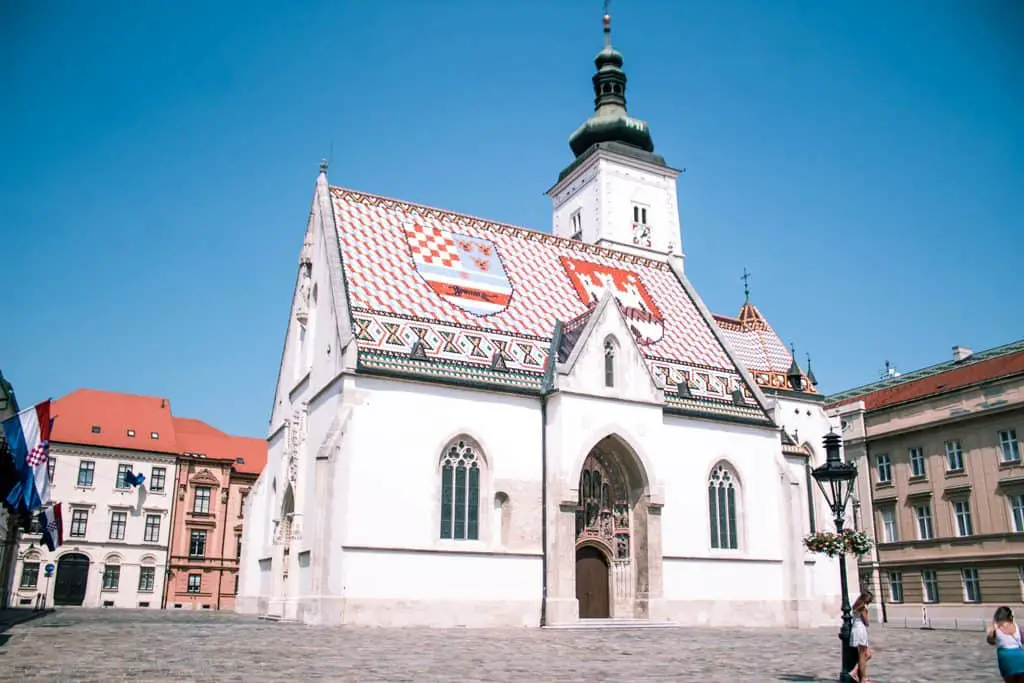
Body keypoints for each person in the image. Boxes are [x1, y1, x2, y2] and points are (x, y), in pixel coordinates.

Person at [987, 606, 1024, 682]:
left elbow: (990, 641)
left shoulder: (995, 626)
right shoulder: (1015, 625)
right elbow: (1022, 639)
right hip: (1019, 656)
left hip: (1005, 657)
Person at [848, 591, 873, 683]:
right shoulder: (862, 608)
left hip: (855, 630)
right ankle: (863, 678)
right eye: (869, 601)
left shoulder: (855, 607)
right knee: (863, 656)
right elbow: (866, 622)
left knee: (868, 654)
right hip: (861, 631)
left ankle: (854, 671)